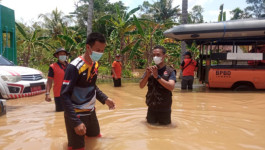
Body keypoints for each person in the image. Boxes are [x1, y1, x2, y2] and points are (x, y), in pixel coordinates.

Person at [61, 32, 115, 150]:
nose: (100, 53)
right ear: (88, 47)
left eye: (102, 50)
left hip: (91, 112)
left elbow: (92, 86)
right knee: (77, 148)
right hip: (76, 114)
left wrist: (105, 99)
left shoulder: (95, 65)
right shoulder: (74, 67)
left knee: (95, 139)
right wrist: (75, 122)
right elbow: (64, 95)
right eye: (97, 50)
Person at [139, 45, 176, 125]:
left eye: (158, 55)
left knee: (165, 132)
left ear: (164, 56)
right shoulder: (150, 70)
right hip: (151, 107)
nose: (155, 57)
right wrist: (147, 75)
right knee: (150, 130)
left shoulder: (170, 71)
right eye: (154, 55)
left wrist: (157, 77)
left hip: (165, 108)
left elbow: (171, 87)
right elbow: (141, 86)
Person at [45, 48, 69, 112]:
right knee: (60, 113)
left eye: (64, 54)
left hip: (70, 94)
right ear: (57, 56)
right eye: (60, 54)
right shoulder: (53, 67)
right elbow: (49, 81)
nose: (62, 56)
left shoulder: (70, 66)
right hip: (59, 95)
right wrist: (47, 93)